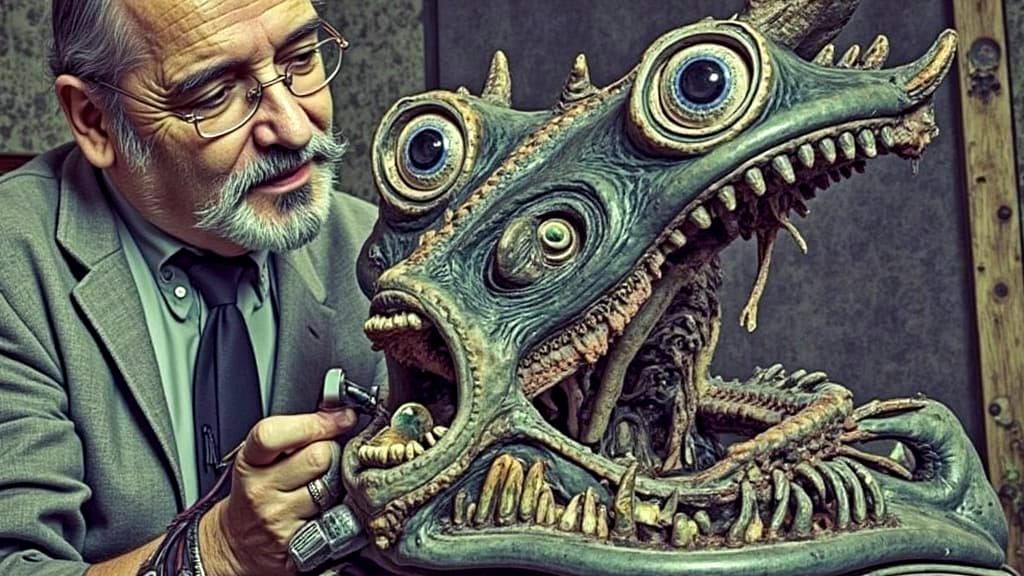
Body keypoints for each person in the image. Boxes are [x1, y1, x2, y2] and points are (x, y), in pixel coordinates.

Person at [0, 0, 385, 574]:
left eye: (301, 58)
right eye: (215, 95)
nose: (294, 126)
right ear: (95, 119)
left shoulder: (383, 255)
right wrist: (221, 551)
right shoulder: (13, 268)